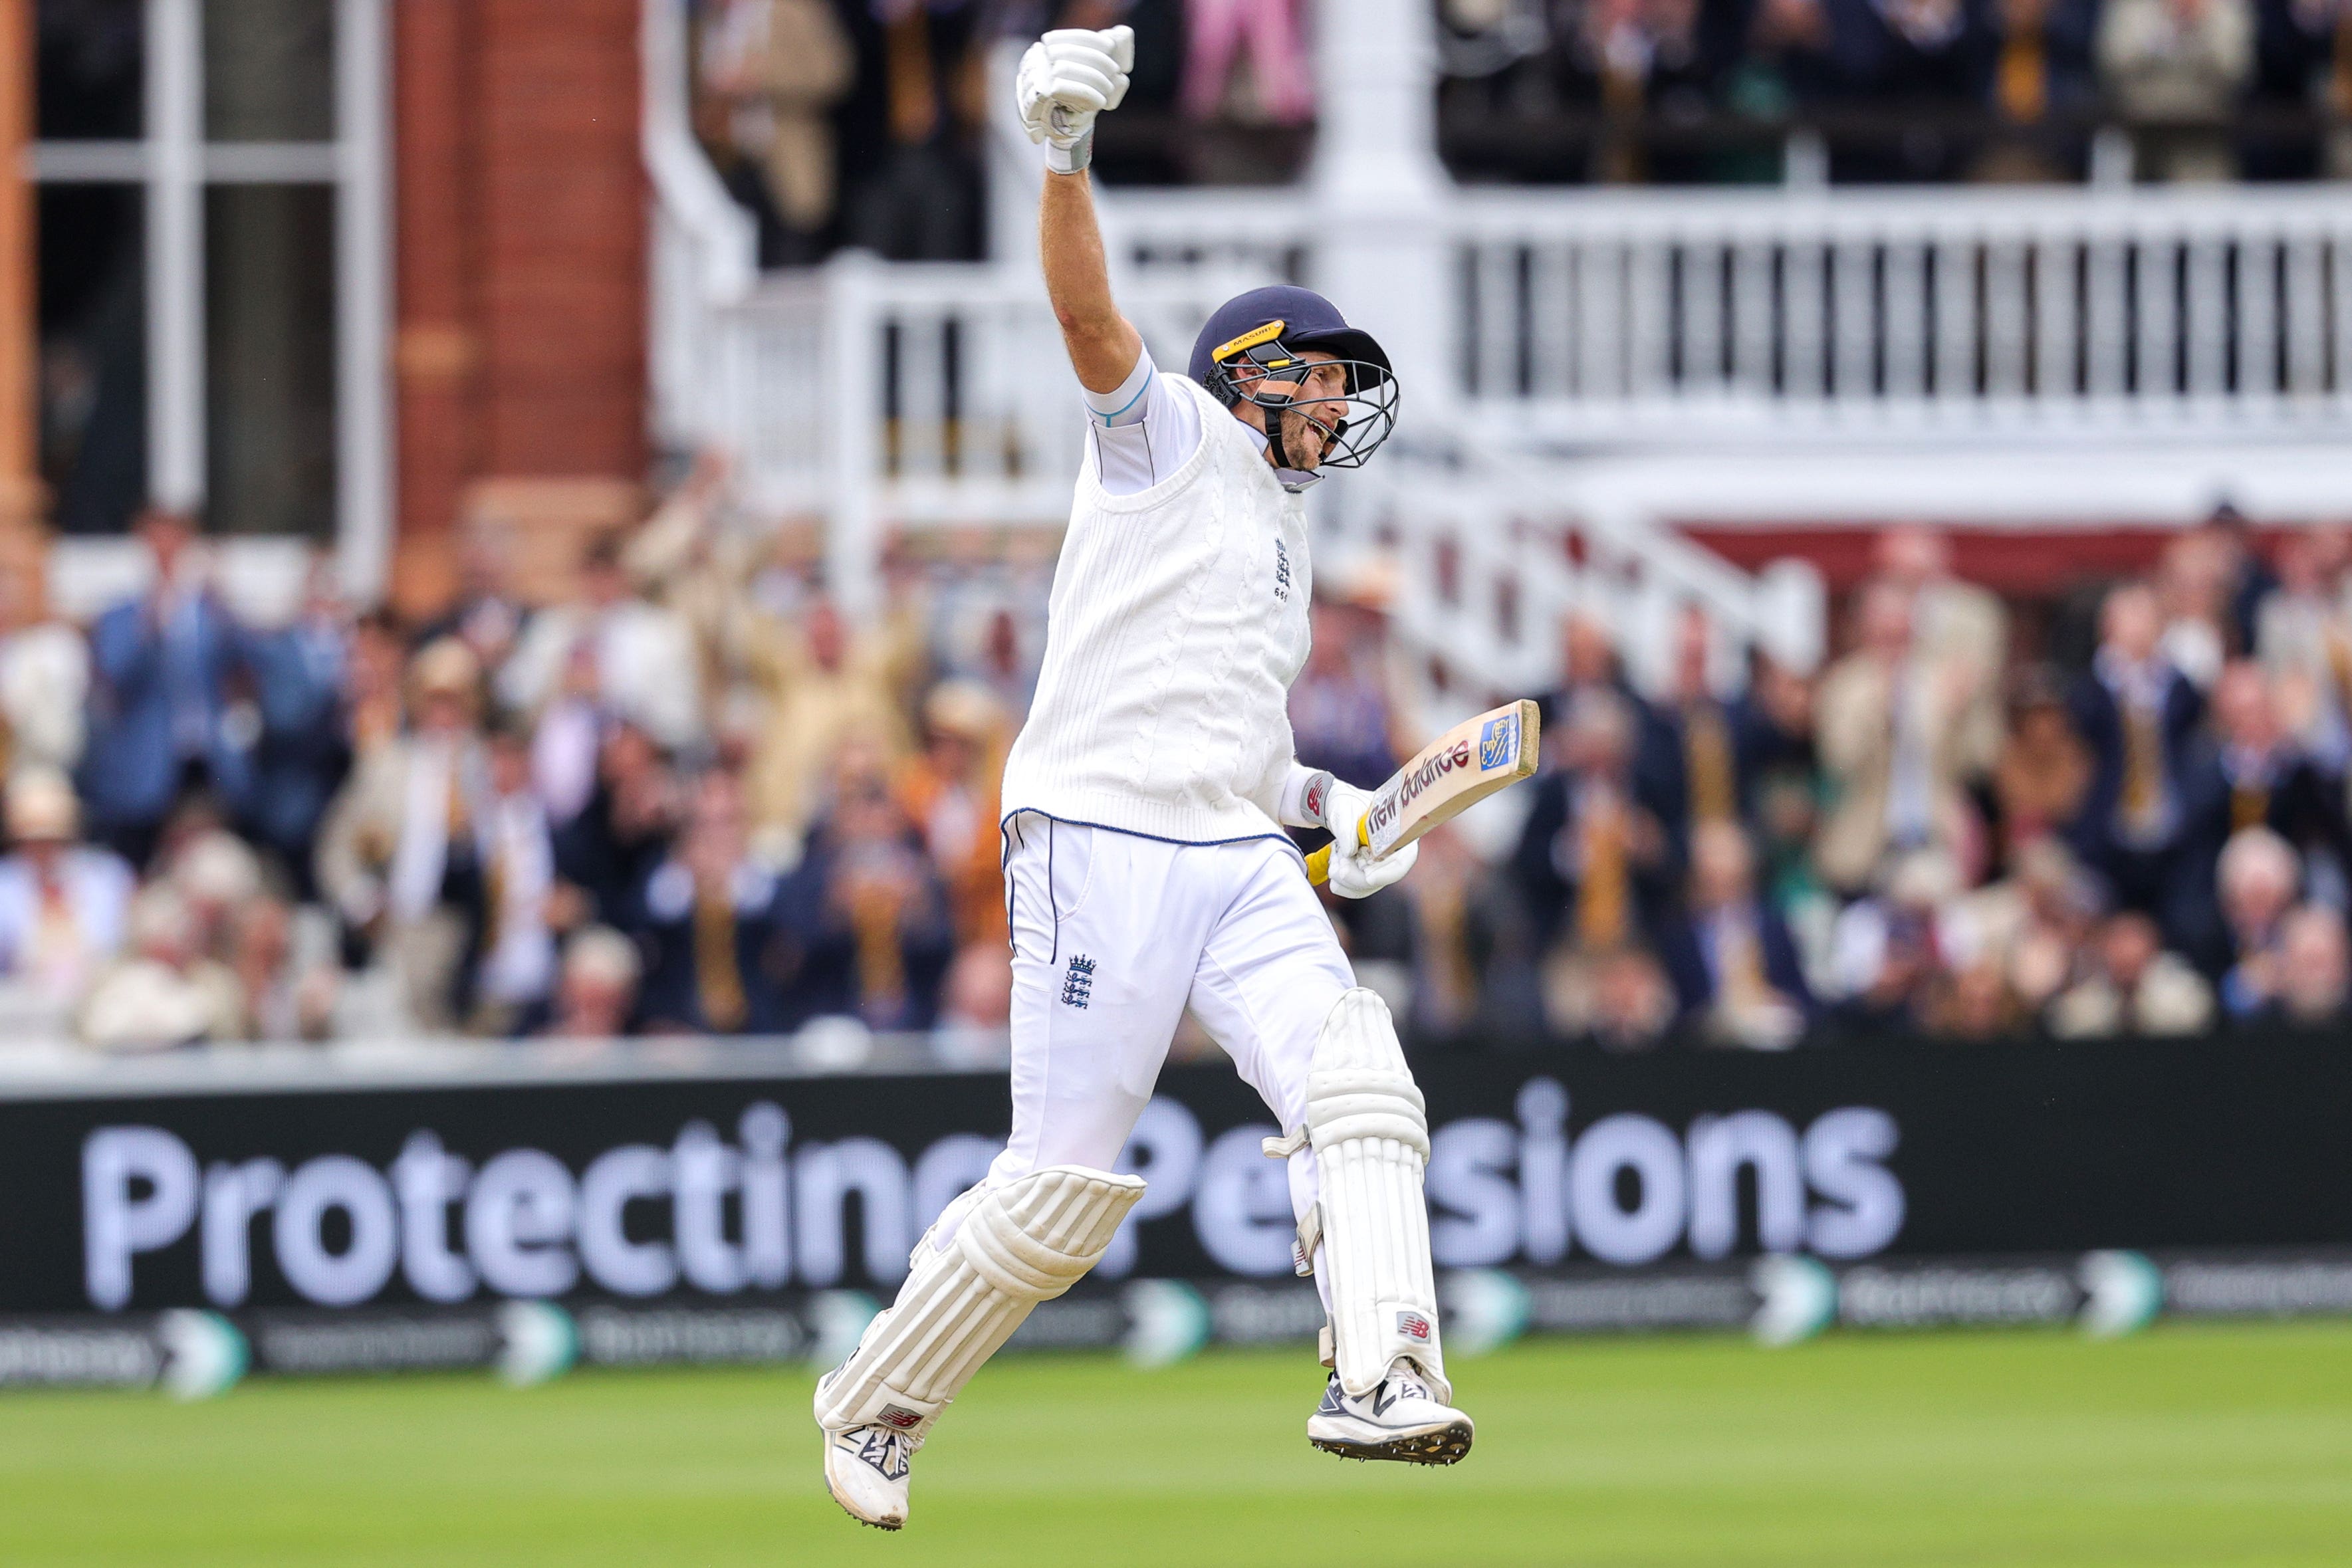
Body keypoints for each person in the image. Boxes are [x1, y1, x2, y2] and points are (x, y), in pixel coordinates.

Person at [812, 26, 1467, 1534]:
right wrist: (1059, 152)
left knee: (1355, 1073)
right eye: (1315, 381)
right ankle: (876, 1404)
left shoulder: (1285, 551)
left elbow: (1249, 755)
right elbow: (1085, 313)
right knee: (1055, 1197)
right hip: (1094, 833)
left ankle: (1380, 1375)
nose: (1332, 408)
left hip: (1229, 846)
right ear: (1247, 379)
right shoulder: (1168, 434)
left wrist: (1339, 818)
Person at [79, 510, 253, 867]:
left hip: (205, 761)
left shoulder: (207, 612)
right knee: (137, 861)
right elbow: (116, 677)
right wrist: (151, 622)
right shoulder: (123, 614)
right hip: (147, 768)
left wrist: (224, 602)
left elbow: (243, 665)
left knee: (212, 860)